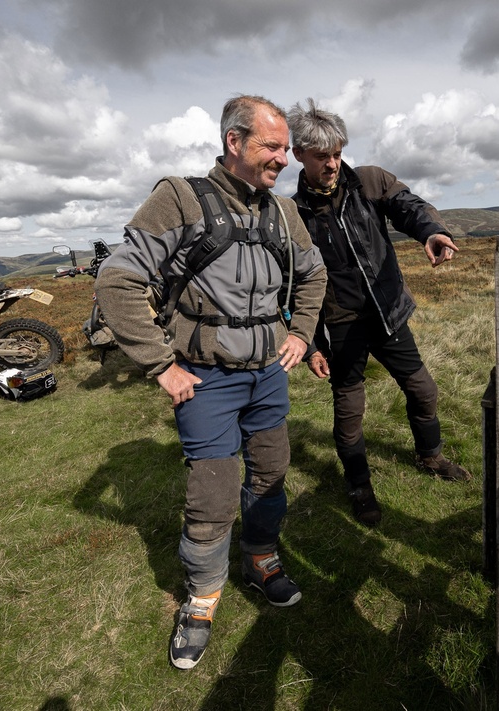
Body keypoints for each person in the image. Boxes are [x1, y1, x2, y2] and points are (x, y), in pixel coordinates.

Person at [94, 95, 327, 671]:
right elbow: (115, 280)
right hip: (206, 380)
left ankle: (261, 557)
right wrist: (160, 363)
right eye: (273, 146)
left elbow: (315, 272)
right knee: (213, 495)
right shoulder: (178, 197)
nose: (285, 158)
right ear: (234, 142)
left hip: (268, 375)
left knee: (271, 473)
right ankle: (202, 595)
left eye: (286, 148)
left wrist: (300, 332)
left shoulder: (282, 211)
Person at [286, 98, 470, 528]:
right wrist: (312, 344)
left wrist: (432, 232)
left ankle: (431, 456)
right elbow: (294, 286)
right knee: (349, 414)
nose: (332, 164)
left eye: (337, 153)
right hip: (343, 328)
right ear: (298, 155)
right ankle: (359, 485)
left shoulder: (369, 181)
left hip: (388, 316)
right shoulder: (293, 214)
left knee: (423, 391)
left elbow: (409, 206)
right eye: (321, 156)